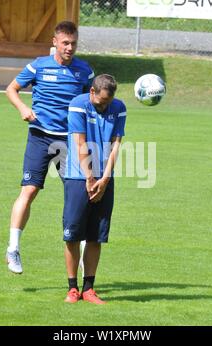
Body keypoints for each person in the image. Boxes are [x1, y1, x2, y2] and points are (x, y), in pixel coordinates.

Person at [5, 21, 94, 274]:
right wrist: (23, 108)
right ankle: (13, 248)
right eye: (65, 43)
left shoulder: (84, 71)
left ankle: (83, 251)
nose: (70, 48)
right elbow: (11, 89)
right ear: (54, 41)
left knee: (79, 193)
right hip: (40, 136)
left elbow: (90, 102)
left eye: (74, 43)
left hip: (69, 140)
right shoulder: (38, 66)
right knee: (30, 190)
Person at [63, 74, 127, 304]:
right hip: (77, 176)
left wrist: (106, 178)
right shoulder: (78, 105)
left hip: (104, 178)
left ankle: (89, 289)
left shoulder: (118, 107)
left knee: (95, 236)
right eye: (100, 102)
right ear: (92, 92)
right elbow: (80, 143)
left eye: (107, 103)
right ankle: (72, 289)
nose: (104, 106)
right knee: (72, 235)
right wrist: (90, 178)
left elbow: (115, 144)